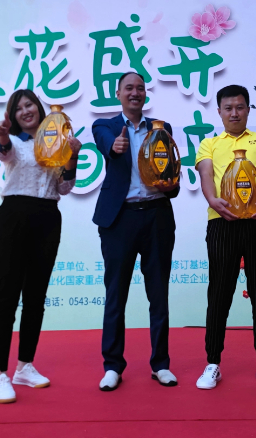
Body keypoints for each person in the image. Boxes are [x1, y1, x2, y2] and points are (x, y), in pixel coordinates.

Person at [0, 89, 82, 404]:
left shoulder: (57, 143)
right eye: (19, 108)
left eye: (30, 105)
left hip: (48, 217)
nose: (26, 111)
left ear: (40, 109)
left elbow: (65, 188)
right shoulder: (14, 142)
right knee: (6, 297)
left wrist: (73, 156)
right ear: (13, 116)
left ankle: (24, 366)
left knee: (36, 297)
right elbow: (4, 153)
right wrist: (2, 136)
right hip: (14, 216)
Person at [91, 71, 180, 391]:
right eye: (129, 88)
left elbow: (170, 171)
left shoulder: (161, 129)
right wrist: (114, 146)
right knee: (116, 295)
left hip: (156, 217)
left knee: (159, 294)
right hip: (120, 220)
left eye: (140, 88)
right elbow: (104, 142)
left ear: (145, 94)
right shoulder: (105, 126)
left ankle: (161, 364)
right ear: (118, 93)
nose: (135, 92)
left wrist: (171, 184)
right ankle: (112, 366)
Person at [194, 85, 256, 390]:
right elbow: (206, 174)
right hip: (222, 223)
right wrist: (213, 200)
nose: (234, 113)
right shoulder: (209, 143)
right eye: (228, 108)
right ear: (219, 112)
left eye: (240, 107)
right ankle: (212, 362)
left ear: (248, 109)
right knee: (219, 292)